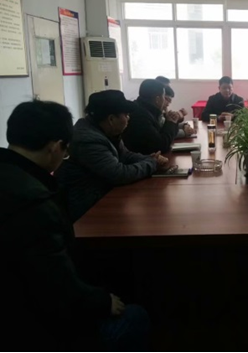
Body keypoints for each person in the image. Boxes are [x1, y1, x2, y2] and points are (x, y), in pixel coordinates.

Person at [0, 100, 150, 351]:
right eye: (65, 151)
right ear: (55, 147)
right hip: (30, 328)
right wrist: (102, 301)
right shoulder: (34, 204)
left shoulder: (12, 177)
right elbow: (53, 284)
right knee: (136, 315)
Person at [55, 90, 166, 222]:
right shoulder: (88, 140)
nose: (128, 118)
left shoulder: (104, 130)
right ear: (111, 119)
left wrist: (149, 159)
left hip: (101, 196)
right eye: (126, 115)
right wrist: (152, 163)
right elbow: (119, 174)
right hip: (86, 211)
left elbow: (125, 155)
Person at [122, 79, 182, 154]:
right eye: (164, 97)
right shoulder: (141, 116)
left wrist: (172, 122)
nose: (164, 101)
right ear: (157, 99)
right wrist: (170, 123)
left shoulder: (147, 110)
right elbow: (161, 146)